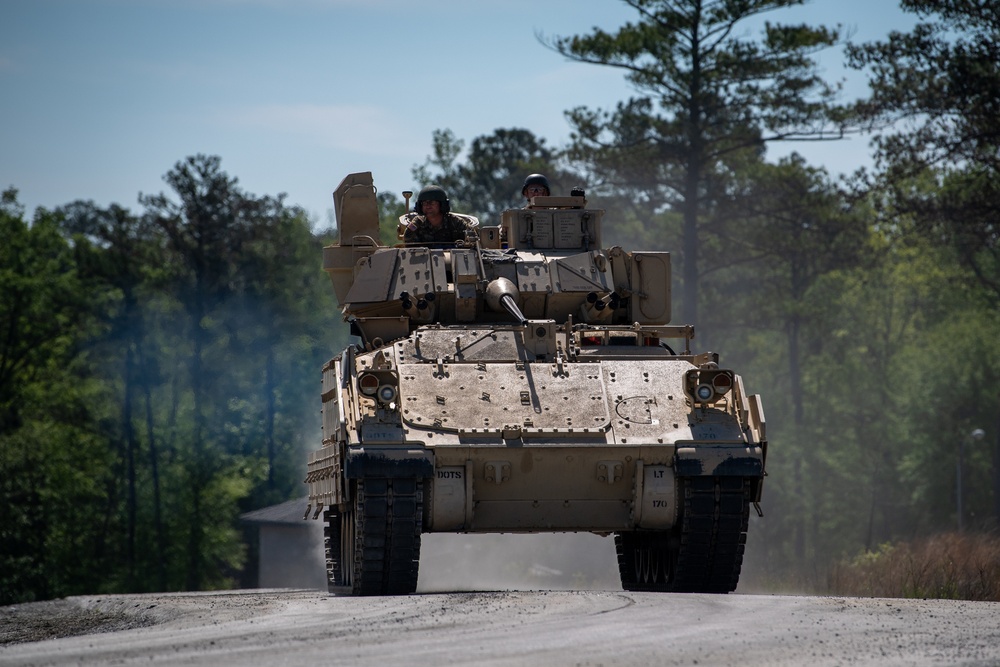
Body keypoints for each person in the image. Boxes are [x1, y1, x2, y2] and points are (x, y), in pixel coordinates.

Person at [402, 185, 474, 245]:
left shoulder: (455, 222)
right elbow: (407, 240)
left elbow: (472, 238)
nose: (428, 206)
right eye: (424, 203)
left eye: (432, 203)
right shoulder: (418, 222)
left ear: (442, 205)